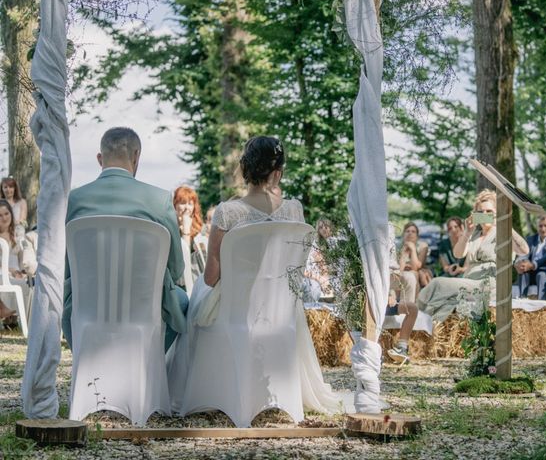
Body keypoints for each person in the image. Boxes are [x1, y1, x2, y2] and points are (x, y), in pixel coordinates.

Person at [168, 136, 347, 416]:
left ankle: (208, 391)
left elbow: (211, 278)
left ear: (245, 169)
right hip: (281, 312)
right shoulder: (294, 210)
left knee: (195, 304)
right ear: (278, 172)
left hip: (236, 313)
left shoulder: (228, 213)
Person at [62, 127, 188, 352]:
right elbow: (176, 268)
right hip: (143, 308)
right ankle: (150, 364)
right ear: (137, 156)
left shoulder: (75, 199)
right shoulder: (158, 200)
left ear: (100, 159)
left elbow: (67, 266)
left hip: (87, 308)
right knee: (183, 302)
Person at [417, 190, 529, 322]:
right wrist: (467, 233)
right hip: (469, 282)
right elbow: (458, 254)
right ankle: (426, 325)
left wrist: (504, 223)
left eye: (489, 212)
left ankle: (413, 314)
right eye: (481, 212)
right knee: (442, 302)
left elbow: (524, 250)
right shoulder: (475, 234)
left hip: (489, 285)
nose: (485, 215)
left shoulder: (503, 232)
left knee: (438, 283)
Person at [386, 225, 418, 365]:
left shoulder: (392, 250)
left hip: (392, 294)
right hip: (375, 299)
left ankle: (402, 347)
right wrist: (389, 293)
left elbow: (395, 273)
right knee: (410, 276)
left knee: (413, 308)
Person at [513, 215, 546, 300]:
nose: (543, 229)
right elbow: (523, 253)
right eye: (540, 226)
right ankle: (522, 299)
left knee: (541, 274)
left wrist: (533, 265)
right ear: (537, 226)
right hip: (530, 272)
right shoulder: (530, 239)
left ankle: (542, 303)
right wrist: (520, 263)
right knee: (523, 271)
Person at [397, 222, 429, 301]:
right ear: (403, 234)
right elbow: (400, 268)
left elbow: (416, 267)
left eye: (413, 231)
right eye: (407, 231)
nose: (410, 233)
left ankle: (412, 303)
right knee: (399, 275)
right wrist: (404, 252)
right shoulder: (398, 246)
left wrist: (413, 249)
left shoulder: (423, 246)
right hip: (402, 271)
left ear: (417, 235)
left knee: (413, 274)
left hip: (417, 272)